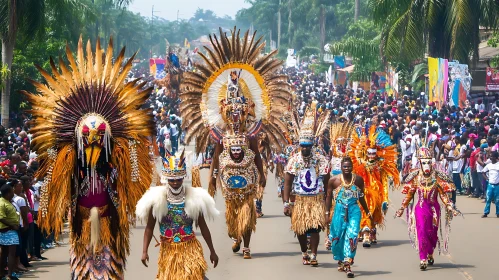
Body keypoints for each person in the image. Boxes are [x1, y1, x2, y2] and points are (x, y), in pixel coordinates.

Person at [24, 37, 155, 279]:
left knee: (109, 270)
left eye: (99, 136)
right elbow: (52, 184)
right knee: (82, 271)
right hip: (81, 226)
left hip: (109, 224)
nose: (93, 140)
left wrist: (132, 152)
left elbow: (136, 179)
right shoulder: (69, 160)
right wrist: (55, 159)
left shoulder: (118, 158)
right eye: (87, 136)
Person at [181, 28, 292, 259]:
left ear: (244, 114)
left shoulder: (251, 136)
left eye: (238, 113)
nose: (234, 117)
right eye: (230, 113)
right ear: (225, 114)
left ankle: (247, 245)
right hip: (229, 185)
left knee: (247, 214)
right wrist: (211, 178)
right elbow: (214, 158)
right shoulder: (221, 137)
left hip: (248, 183)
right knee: (232, 218)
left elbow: (258, 157)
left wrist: (261, 176)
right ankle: (237, 237)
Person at [136, 150, 219, 279]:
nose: (175, 183)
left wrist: (212, 251)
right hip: (168, 251)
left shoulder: (194, 199)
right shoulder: (157, 200)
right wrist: (144, 251)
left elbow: (203, 227)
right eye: (172, 180)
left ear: (183, 178)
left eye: (178, 179)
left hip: (190, 249)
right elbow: (149, 228)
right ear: (167, 179)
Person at [396, 146, 460, 270]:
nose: (426, 165)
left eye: (428, 162)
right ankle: (423, 258)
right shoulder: (415, 177)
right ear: (420, 163)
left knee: (432, 234)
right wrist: (402, 208)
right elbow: (410, 194)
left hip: (434, 210)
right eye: (424, 162)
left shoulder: (437, 177)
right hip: (420, 208)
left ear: (432, 163)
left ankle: (430, 252)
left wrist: (450, 207)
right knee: (422, 231)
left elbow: (443, 195)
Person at [283, 106, 330, 266]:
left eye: (308, 146)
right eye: (303, 146)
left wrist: (326, 203)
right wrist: (286, 203)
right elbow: (287, 183)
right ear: (299, 145)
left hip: (316, 199)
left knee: (315, 228)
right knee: (300, 229)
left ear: (312, 145)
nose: (305, 149)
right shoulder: (294, 160)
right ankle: (305, 252)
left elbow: (327, 183)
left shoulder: (321, 159)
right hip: (300, 200)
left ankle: (315, 254)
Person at [349, 122, 399, 247]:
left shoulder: (380, 166)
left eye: (373, 153)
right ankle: (366, 234)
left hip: (377, 193)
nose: (371, 155)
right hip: (363, 193)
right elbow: (354, 179)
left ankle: (372, 230)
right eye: (369, 153)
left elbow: (384, 182)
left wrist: (385, 199)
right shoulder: (360, 165)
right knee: (365, 212)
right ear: (366, 153)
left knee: (375, 214)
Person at [326, 157, 372, 278]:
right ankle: (340, 259)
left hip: (354, 211)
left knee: (352, 235)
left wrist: (367, 211)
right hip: (338, 211)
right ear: (341, 167)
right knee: (337, 237)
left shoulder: (358, 180)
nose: (347, 168)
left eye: (349, 166)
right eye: (345, 166)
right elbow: (328, 197)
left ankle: (348, 262)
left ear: (352, 167)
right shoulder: (333, 180)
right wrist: (327, 214)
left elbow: (361, 196)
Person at [0, 183, 20, 280]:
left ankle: (3, 273)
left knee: (5, 253)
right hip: (8, 231)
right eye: (12, 191)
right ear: (8, 193)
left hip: (9, 230)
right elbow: (1, 218)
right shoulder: (2, 203)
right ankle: (9, 275)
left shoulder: (8, 201)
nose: (13, 193)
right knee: (11, 253)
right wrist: (12, 225)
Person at [481, 151, 499, 218]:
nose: (491, 158)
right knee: (488, 199)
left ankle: (498, 213)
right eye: (490, 156)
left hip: (497, 185)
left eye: (492, 156)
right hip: (490, 185)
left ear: (496, 157)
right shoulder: (489, 165)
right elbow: (483, 172)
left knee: (497, 200)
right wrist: (487, 178)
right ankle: (486, 213)